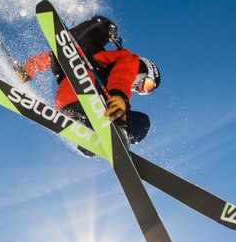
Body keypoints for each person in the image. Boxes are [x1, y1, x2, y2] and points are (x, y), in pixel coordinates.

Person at [15, 14, 160, 148]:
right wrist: (120, 96)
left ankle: (95, 141)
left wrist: (27, 69)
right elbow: (124, 72)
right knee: (141, 121)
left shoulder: (118, 88)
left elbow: (54, 58)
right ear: (145, 70)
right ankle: (119, 132)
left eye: (145, 91)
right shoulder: (129, 61)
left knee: (132, 119)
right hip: (85, 87)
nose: (139, 89)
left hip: (68, 103)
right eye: (147, 85)